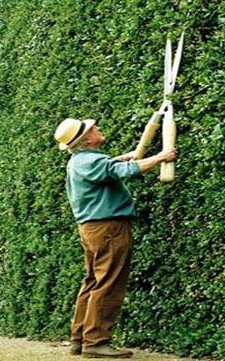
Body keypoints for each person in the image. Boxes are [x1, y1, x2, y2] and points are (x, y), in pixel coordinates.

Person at [54, 118, 177, 358]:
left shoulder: (80, 160)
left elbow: (108, 167)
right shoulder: (91, 161)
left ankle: (79, 338)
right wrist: (162, 156)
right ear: (87, 139)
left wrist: (124, 157)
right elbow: (126, 171)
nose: (98, 128)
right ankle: (96, 341)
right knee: (109, 282)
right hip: (108, 228)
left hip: (93, 228)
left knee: (93, 281)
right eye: (93, 128)